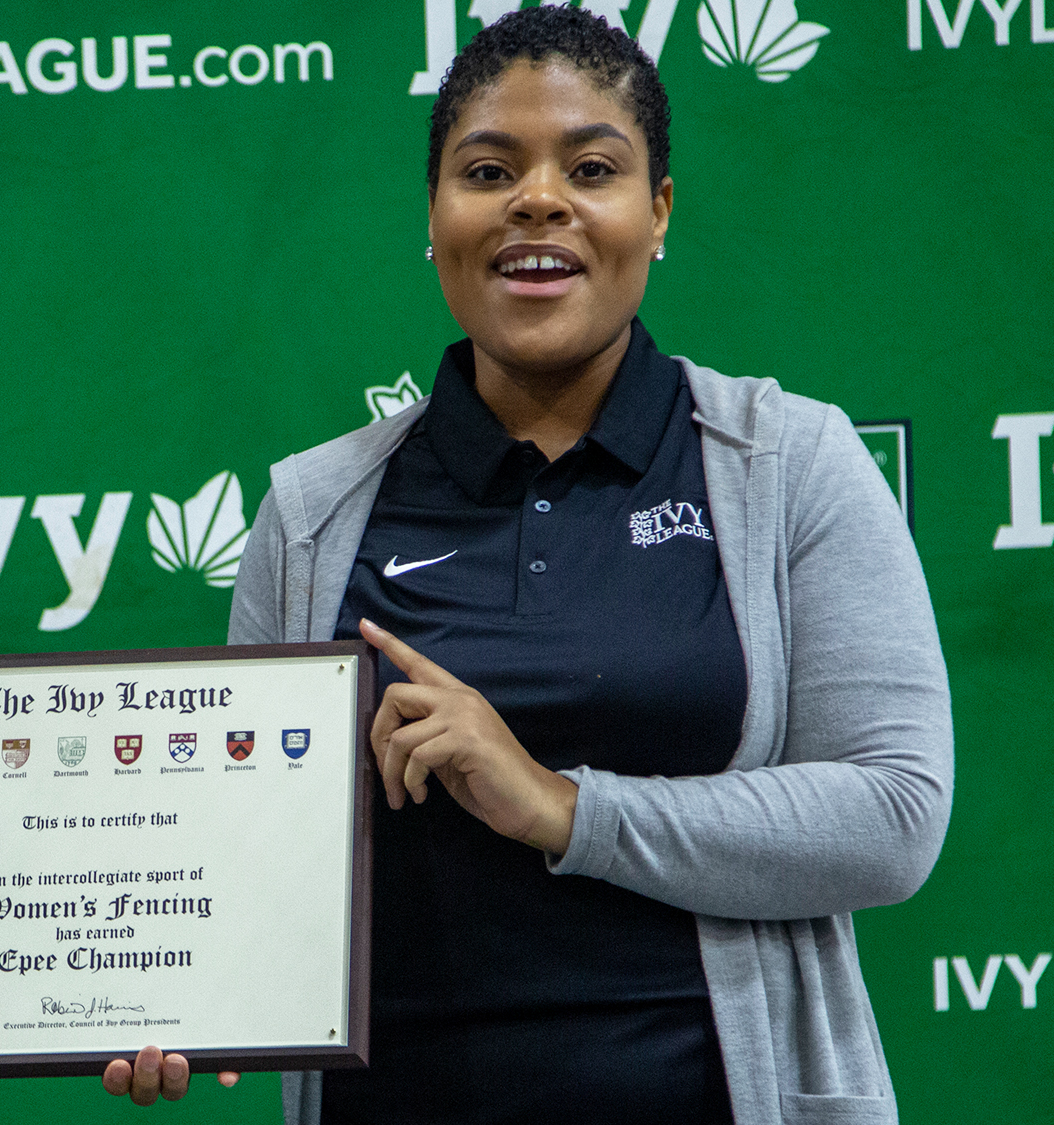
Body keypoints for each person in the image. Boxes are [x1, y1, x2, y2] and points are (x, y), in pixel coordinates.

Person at [217, 8, 952, 1124]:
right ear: (432, 218)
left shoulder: (789, 461)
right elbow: (249, 858)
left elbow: (889, 816)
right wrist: (168, 991)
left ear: (657, 213)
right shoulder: (312, 512)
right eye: (486, 169)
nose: (537, 199)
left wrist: (558, 808)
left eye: (592, 167)